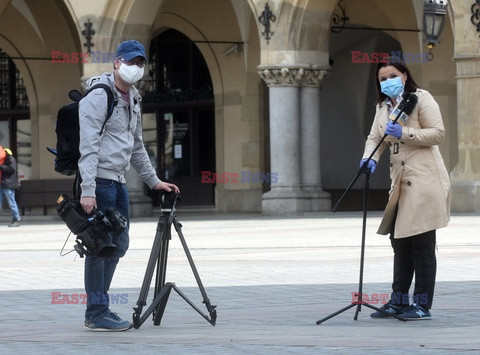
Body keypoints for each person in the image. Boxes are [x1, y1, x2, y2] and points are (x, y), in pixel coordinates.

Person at [78, 40, 180, 331]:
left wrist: (154, 180)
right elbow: (89, 146)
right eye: (130, 61)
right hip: (99, 181)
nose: (135, 67)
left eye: (140, 63)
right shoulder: (99, 96)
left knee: (118, 245)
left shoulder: (133, 97)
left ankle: (98, 308)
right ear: (116, 62)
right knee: (100, 247)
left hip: (119, 181)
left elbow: (136, 146)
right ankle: (97, 312)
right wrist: (87, 190)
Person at [360, 57, 450, 320]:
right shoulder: (382, 107)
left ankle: (422, 305)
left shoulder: (421, 99)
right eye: (382, 79)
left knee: (422, 243)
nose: (387, 81)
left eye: (392, 76)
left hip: (424, 179)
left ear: (404, 75)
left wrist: (405, 134)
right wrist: (369, 159)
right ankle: (398, 301)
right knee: (399, 242)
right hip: (399, 181)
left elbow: (438, 133)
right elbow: (375, 138)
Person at [0, 146, 21, 227]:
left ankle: (17, 218)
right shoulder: (3, 160)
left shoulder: (10, 159)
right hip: (2, 184)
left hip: (8, 184)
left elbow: (11, 170)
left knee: (11, 203)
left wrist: (1, 166)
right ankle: (15, 218)